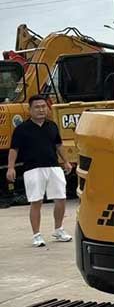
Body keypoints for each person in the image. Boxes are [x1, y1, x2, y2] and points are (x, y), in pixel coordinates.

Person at [6, 95, 73, 248]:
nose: (41, 109)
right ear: (30, 109)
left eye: (43, 106)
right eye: (37, 107)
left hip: (53, 167)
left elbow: (58, 145)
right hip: (33, 169)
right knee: (36, 201)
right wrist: (10, 167)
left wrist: (66, 161)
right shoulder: (22, 129)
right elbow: (14, 149)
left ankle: (59, 230)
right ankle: (37, 235)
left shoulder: (52, 126)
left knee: (61, 198)